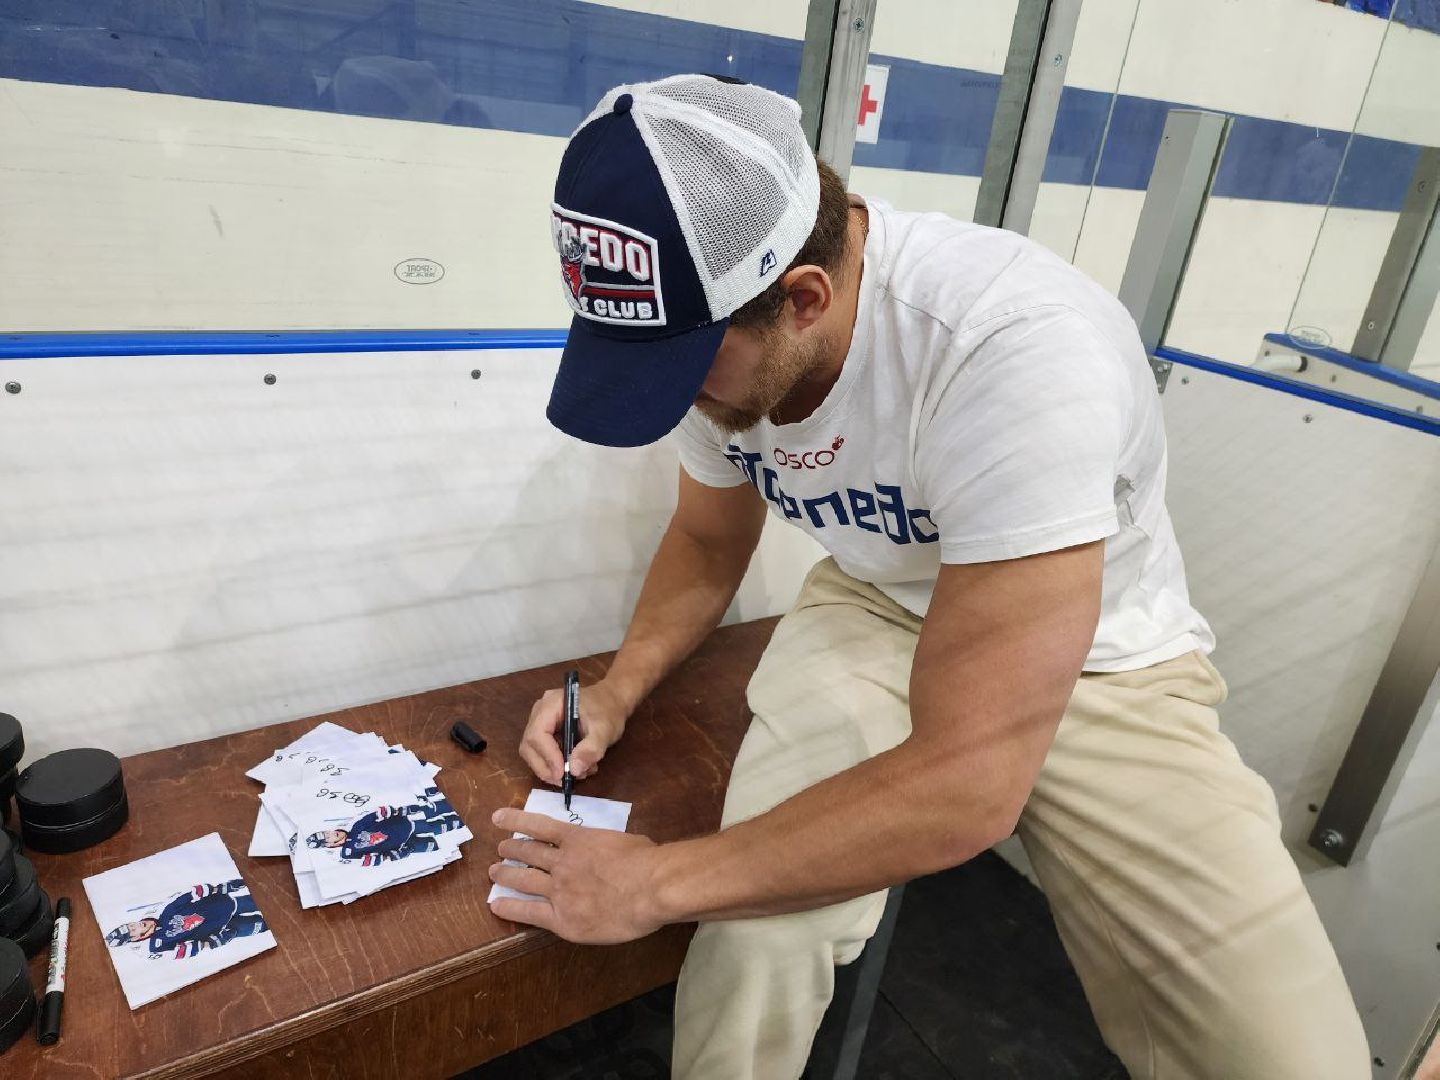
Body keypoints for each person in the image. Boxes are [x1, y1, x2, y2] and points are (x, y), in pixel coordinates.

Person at [486, 74, 1371, 1080]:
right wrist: (616, 687)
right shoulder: (716, 325)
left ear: (804, 299)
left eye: (687, 365)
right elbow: (704, 541)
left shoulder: (1016, 350)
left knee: (1294, 1060)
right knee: (756, 934)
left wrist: (650, 884)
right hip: (880, 603)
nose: (677, 393)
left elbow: (966, 787)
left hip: (1105, 657)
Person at [104, 879, 266, 960]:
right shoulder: (153, 947)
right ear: (135, 938)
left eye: (130, 924)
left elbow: (190, 894)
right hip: (223, 929)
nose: (135, 925)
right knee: (265, 925)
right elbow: (182, 951)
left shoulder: (158, 910)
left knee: (267, 901)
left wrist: (221, 888)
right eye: (132, 930)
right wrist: (212, 943)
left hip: (225, 906)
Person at [306, 793, 464, 866]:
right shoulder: (349, 853)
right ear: (330, 845)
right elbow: (372, 860)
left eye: (327, 831)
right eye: (327, 837)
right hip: (404, 844)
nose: (331, 833)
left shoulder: (355, 826)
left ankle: (458, 815)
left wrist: (395, 811)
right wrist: (392, 856)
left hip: (406, 823)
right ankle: (456, 825)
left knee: (435, 811)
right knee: (438, 836)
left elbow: (376, 813)